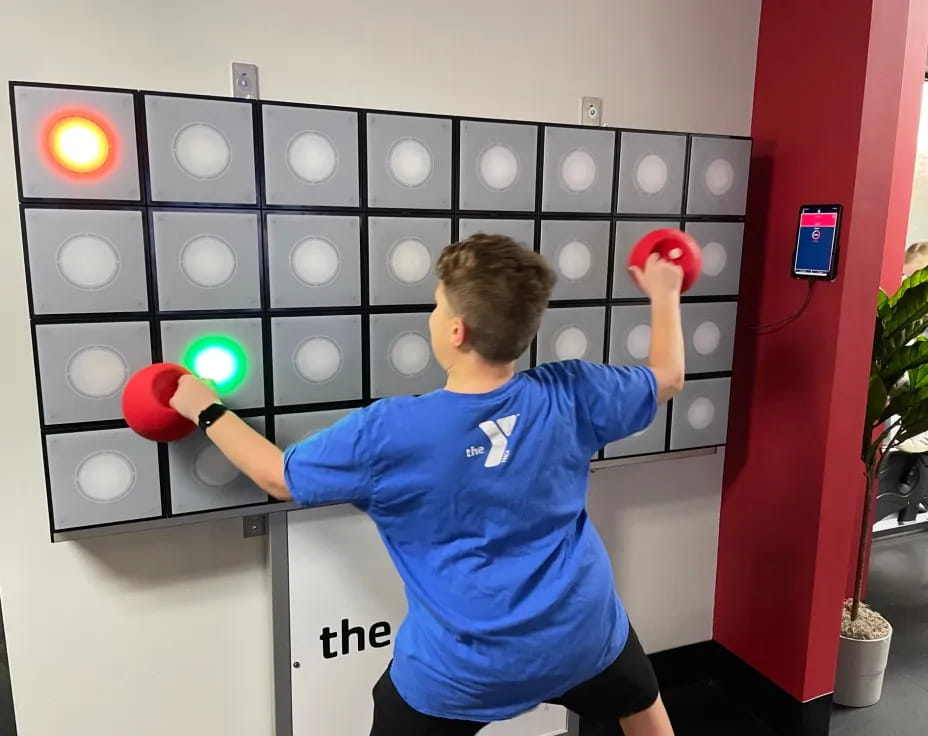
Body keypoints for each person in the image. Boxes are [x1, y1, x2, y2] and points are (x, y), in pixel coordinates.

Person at [170, 234, 684, 736]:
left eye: (437, 306)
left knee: (403, 702)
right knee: (641, 700)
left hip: (465, 672)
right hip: (583, 638)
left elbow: (277, 476)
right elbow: (669, 376)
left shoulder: (390, 433)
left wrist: (203, 407)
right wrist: (664, 291)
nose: (433, 315)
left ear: (456, 331)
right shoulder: (573, 391)